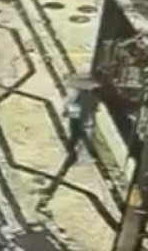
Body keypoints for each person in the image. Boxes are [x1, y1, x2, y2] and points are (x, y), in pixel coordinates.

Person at [37, 77, 100, 209]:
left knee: (66, 159)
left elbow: (73, 115)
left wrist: (70, 113)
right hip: (80, 132)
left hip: (77, 133)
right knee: (67, 158)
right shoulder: (90, 98)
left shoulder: (77, 99)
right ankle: (49, 189)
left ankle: (48, 191)